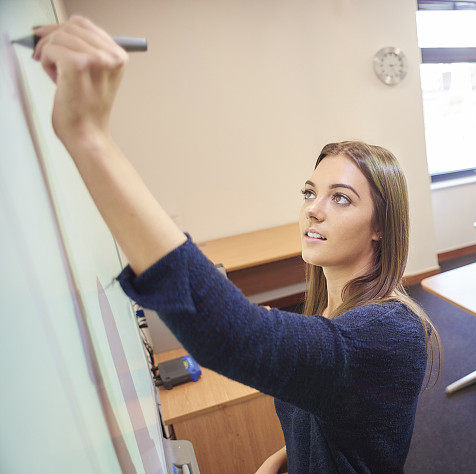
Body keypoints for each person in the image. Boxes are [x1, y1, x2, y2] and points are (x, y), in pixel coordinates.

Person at [32, 17, 440, 474]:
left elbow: (229, 334)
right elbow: (339, 417)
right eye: (310, 192)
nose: (313, 209)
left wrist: (88, 137)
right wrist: (286, 459)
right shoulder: (330, 310)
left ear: (381, 226)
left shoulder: (390, 330)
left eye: (340, 198)